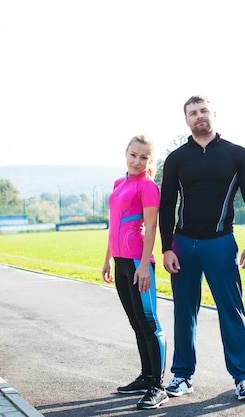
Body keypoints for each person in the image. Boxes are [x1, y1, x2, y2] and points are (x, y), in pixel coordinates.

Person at [159, 95, 245, 401]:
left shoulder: (236, 154)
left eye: (203, 110)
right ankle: (182, 376)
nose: (199, 116)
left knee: (232, 310)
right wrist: (166, 248)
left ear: (213, 114)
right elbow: (166, 206)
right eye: (193, 113)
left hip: (220, 242)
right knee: (184, 310)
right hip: (184, 244)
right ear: (186, 120)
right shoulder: (176, 159)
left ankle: (243, 377)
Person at [102, 135, 168, 410]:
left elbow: (151, 228)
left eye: (144, 157)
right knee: (136, 322)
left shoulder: (149, 187)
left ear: (150, 161)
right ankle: (146, 376)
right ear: (126, 154)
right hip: (119, 261)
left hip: (139, 262)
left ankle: (159, 386)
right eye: (133, 155)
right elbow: (113, 223)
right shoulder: (119, 184)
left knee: (149, 322)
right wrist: (107, 260)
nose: (137, 161)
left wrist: (143, 265)